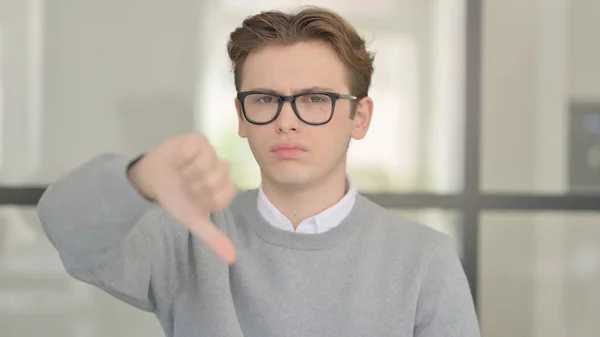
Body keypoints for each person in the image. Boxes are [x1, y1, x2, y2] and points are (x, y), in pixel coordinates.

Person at [37, 6, 480, 337]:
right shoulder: (192, 239)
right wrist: (140, 178)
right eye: (266, 99)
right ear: (242, 117)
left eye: (314, 99)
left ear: (359, 117)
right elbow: (63, 223)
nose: (287, 120)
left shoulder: (424, 260)